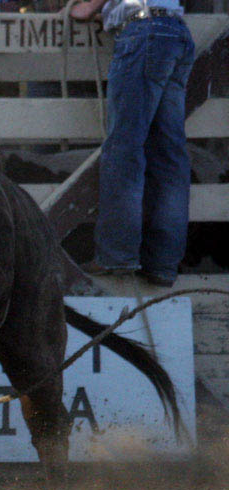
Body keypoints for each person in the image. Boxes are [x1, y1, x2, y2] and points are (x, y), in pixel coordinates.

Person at [71, 0, 194, 287]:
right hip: (174, 29)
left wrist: (87, 8)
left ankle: (117, 254)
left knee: (124, 149)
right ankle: (162, 263)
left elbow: (89, 9)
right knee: (169, 156)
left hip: (144, 31)